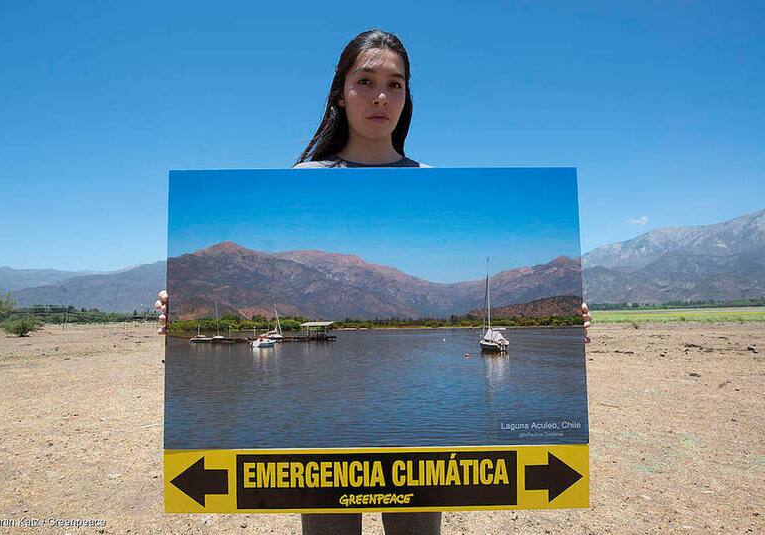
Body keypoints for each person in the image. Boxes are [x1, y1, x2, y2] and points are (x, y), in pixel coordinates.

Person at [156, 28, 592, 535]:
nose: (381, 96)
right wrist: (174, 304)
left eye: (396, 84)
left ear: (408, 97)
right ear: (340, 92)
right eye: (365, 81)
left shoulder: (430, 177)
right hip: (325, 449)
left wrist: (580, 320)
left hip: (417, 460)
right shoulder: (302, 178)